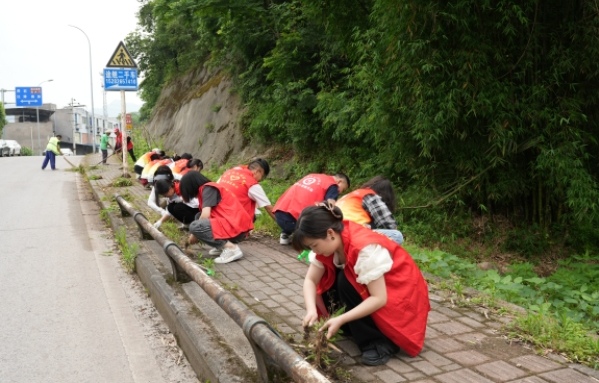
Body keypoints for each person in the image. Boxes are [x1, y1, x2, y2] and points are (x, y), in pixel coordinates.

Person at [294, 202, 430, 366]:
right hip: (377, 290)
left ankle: (380, 342)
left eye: (314, 245)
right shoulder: (333, 243)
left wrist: (341, 318)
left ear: (330, 233)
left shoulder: (364, 248)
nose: (314, 251)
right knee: (329, 280)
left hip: (401, 295)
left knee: (346, 281)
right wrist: (311, 310)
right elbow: (311, 280)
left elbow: (379, 298)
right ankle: (354, 327)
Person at [180, 172, 253, 264]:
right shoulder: (207, 189)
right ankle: (222, 246)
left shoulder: (208, 189)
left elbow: (206, 215)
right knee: (198, 216)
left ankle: (231, 248)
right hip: (233, 225)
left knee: (195, 226)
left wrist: (194, 234)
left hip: (236, 227)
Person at [273, 172, 350, 245]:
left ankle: (285, 234)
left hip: (279, 214)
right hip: (296, 221)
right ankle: (303, 238)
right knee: (323, 220)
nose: (340, 192)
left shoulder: (312, 176)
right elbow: (330, 206)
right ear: (340, 182)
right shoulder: (333, 185)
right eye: (343, 189)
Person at [336, 176, 404, 245]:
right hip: (349, 233)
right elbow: (389, 224)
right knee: (396, 235)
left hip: (335, 233)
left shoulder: (352, 195)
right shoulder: (370, 195)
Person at [217, 158, 275, 224]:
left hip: (215, 213)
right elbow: (269, 208)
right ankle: (240, 232)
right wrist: (284, 226)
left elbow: (216, 187)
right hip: (231, 220)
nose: (260, 180)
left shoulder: (229, 172)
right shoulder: (252, 184)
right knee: (253, 215)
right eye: (262, 177)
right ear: (258, 172)